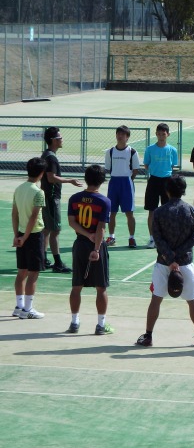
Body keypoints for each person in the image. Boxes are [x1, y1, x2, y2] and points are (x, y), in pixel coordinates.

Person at [136, 175, 194, 347]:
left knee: (156, 299)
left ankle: (148, 336)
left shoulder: (159, 212)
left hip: (163, 263)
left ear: (167, 191)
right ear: (183, 191)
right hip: (186, 263)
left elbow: (157, 238)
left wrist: (170, 258)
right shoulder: (193, 211)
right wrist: (178, 256)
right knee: (192, 299)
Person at [66, 165, 113, 335]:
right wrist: (97, 248)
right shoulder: (104, 201)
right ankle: (100, 325)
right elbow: (101, 228)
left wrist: (86, 234)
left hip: (80, 244)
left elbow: (72, 222)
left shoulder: (74, 198)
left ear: (86, 179)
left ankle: (74, 322)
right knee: (101, 287)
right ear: (102, 181)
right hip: (96, 245)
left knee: (76, 286)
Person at [41, 126, 82, 272]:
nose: (62, 140)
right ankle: (57, 262)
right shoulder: (51, 157)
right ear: (54, 140)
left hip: (47, 197)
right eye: (60, 138)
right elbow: (51, 178)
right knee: (55, 231)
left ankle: (43, 259)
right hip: (52, 198)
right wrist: (70, 180)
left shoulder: (46, 154)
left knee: (46, 229)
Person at [12, 157, 47, 319]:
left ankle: (19, 306)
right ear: (41, 173)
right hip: (33, 236)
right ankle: (27, 310)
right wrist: (26, 237)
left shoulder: (19, 189)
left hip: (20, 234)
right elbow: (34, 217)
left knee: (21, 272)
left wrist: (17, 236)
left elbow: (14, 214)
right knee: (33, 274)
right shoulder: (39, 192)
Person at [143, 123, 178, 249]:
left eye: (163, 134)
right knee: (152, 210)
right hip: (153, 181)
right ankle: (152, 238)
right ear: (156, 134)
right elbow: (146, 164)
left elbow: (173, 165)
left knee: (167, 210)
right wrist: (155, 172)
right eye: (159, 134)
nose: (161, 136)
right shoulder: (150, 149)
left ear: (168, 134)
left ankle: (166, 238)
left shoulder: (173, 150)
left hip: (167, 181)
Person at [104, 125, 140, 249]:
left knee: (129, 213)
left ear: (127, 137)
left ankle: (131, 238)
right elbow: (108, 168)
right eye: (118, 134)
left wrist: (128, 181)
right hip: (114, 183)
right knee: (112, 212)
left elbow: (135, 170)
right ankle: (111, 237)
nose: (120, 136)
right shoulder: (110, 152)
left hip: (127, 184)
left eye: (123, 134)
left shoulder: (132, 152)